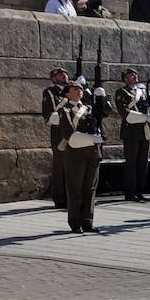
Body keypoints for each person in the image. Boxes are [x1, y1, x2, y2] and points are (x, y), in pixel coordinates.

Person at [49, 82, 108, 232]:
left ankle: (88, 221)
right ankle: (75, 222)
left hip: (93, 153)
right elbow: (69, 133)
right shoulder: (64, 111)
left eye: (81, 89)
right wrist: (91, 139)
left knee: (90, 188)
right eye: (75, 89)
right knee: (75, 188)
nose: (79, 91)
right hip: (76, 152)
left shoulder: (89, 108)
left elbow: (107, 112)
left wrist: (102, 98)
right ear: (67, 93)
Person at [114, 68, 150, 203]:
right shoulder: (122, 92)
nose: (134, 76)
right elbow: (124, 112)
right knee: (131, 163)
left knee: (143, 163)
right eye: (131, 75)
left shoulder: (143, 91)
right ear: (125, 79)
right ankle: (130, 192)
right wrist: (144, 117)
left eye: (135, 74)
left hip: (144, 131)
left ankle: (140, 190)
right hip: (131, 131)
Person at [41, 67, 73, 207]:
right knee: (60, 166)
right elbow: (50, 114)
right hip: (59, 132)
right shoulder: (50, 92)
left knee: (72, 165)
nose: (64, 76)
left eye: (65, 74)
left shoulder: (73, 90)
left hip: (74, 131)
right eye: (60, 75)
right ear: (53, 78)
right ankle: (60, 198)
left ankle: (72, 196)